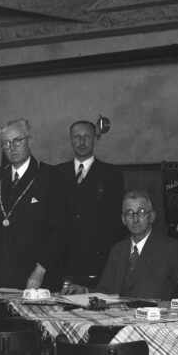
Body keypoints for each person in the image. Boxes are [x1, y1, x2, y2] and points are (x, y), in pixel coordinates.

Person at [0, 118, 68, 290]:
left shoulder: (51, 176)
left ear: (29, 140)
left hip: (35, 276)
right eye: (6, 143)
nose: (12, 147)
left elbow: (59, 232)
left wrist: (40, 271)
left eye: (17, 140)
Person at [66, 190, 178, 300]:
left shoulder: (172, 250)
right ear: (123, 219)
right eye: (129, 213)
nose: (135, 219)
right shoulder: (118, 250)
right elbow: (105, 293)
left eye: (141, 212)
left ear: (151, 216)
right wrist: (84, 291)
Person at [55, 120, 125, 288]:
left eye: (87, 136)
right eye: (77, 137)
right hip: (63, 261)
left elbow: (116, 222)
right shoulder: (56, 173)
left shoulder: (112, 174)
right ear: (71, 139)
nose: (82, 141)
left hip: (97, 262)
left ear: (95, 139)